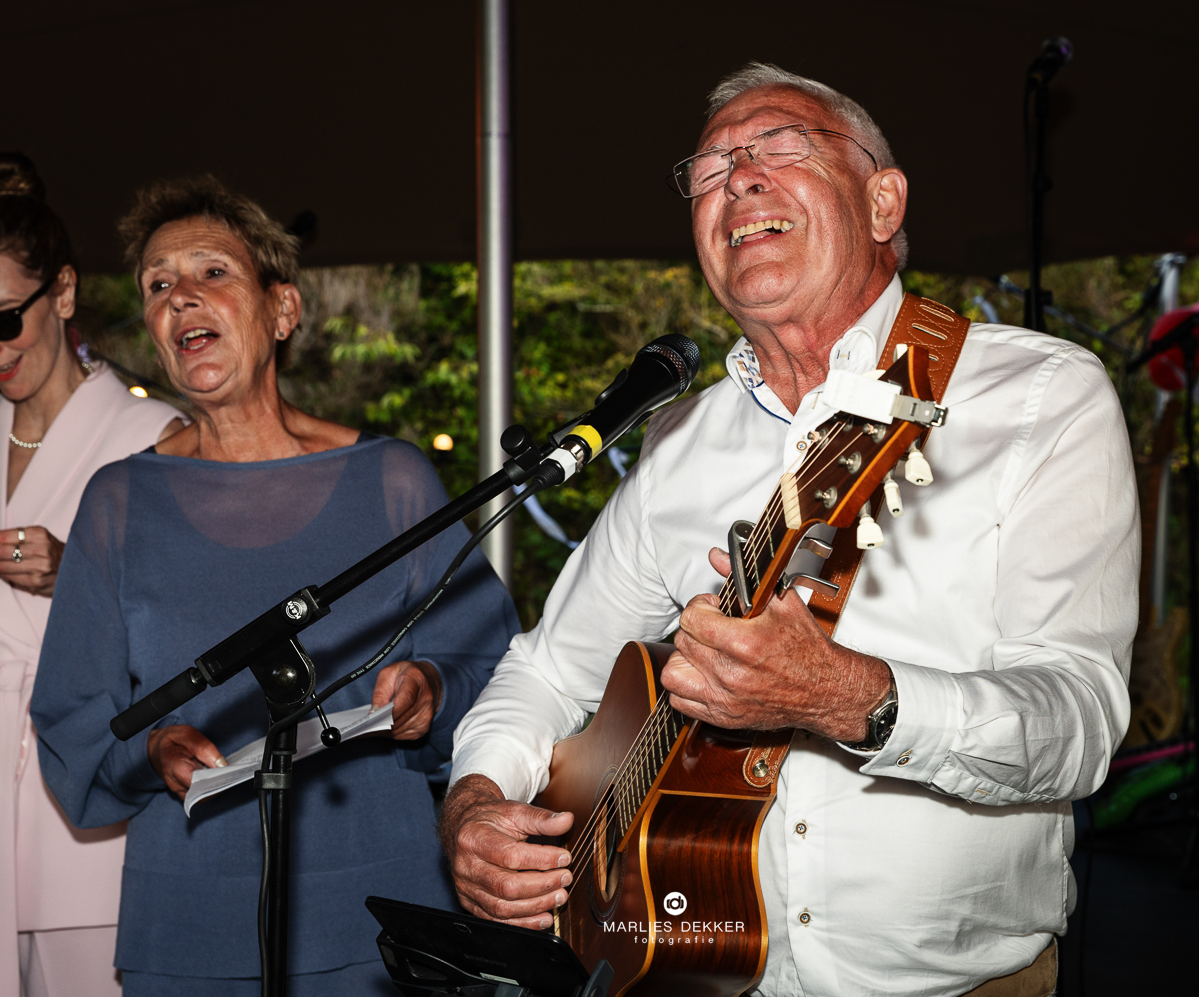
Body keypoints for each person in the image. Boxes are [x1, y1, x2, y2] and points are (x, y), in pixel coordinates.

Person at [440, 63, 1138, 997]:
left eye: (781, 148)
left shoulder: (1038, 395)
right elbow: (549, 671)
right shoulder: (678, 437)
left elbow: (1081, 719)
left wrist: (850, 695)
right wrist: (476, 803)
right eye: (711, 168)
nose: (739, 178)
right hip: (684, 970)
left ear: (883, 201)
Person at [29, 176, 518, 997]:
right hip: (189, 929)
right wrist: (150, 749)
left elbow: (500, 669)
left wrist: (434, 687)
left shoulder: (392, 480)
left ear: (282, 310)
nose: (181, 295)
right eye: (158, 284)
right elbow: (73, 723)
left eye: (212, 271)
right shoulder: (119, 502)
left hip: (385, 923)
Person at [0, 153, 184, 997]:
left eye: (1, 319)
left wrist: (76, 574)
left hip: (84, 777)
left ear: (63, 292)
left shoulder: (156, 436)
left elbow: (194, 633)